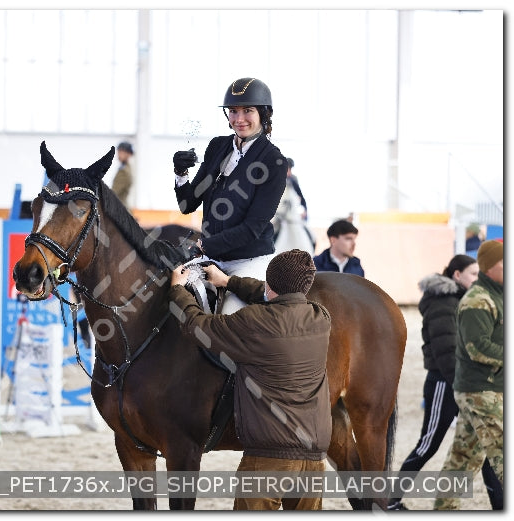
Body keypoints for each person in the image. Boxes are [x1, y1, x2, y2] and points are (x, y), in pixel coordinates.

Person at [168, 249, 331, 510]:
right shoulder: (320, 317)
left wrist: (177, 291)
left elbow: (196, 326)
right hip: (313, 456)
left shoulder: (253, 322)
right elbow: (280, 297)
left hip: (268, 457)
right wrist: (229, 282)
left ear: (270, 283)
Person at [388, 255, 502, 510]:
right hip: (445, 384)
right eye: (473, 274)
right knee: (428, 445)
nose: (478, 278)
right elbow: (446, 352)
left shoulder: (469, 300)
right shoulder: (443, 303)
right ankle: (390, 499)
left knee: (486, 448)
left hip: (469, 386)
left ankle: (501, 507)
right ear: (457, 275)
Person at [172, 77, 288, 314]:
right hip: (212, 258)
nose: (239, 118)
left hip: (249, 262)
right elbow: (188, 204)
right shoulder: (218, 147)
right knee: (170, 296)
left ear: (264, 114)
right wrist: (180, 172)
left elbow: (252, 228)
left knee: (229, 315)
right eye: (233, 111)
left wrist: (205, 244)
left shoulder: (273, 162)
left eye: (248, 110)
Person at [434, 240, 503, 510]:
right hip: (479, 393)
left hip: (488, 389)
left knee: (462, 461)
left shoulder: (499, 295)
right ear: (490, 268)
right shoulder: (477, 300)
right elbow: (478, 347)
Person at [111, 141, 134, 208]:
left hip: (119, 209)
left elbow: (114, 192)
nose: (119, 154)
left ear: (129, 154)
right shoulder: (125, 168)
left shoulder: (124, 171)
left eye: (122, 152)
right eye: (118, 152)